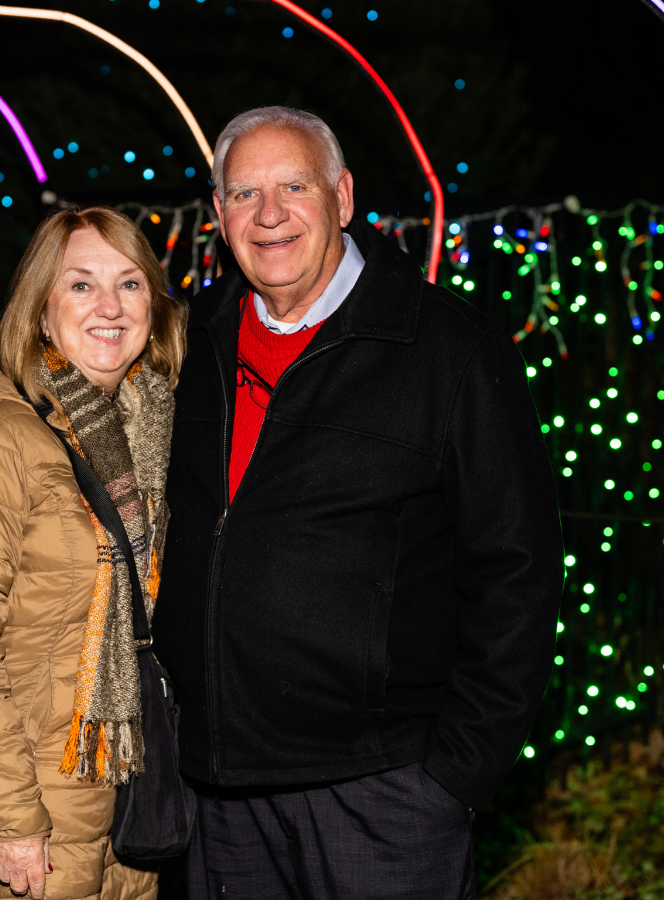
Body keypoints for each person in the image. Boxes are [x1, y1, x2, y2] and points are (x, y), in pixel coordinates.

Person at [151, 106, 564, 899]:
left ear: (342, 197)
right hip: (220, 789)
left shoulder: (446, 350)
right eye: (243, 194)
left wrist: (454, 774)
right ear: (217, 215)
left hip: (383, 794)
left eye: (293, 186)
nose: (268, 215)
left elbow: (517, 570)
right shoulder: (187, 343)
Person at [0, 207, 187, 900]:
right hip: (29, 808)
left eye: (130, 284)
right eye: (80, 285)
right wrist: (12, 816)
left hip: (125, 788)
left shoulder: (148, 426)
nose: (109, 306)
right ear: (41, 311)